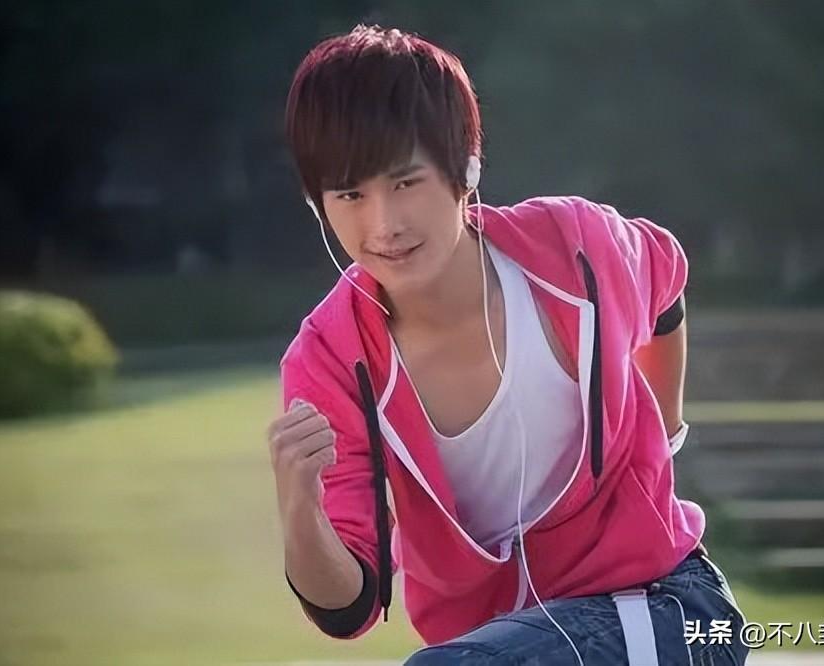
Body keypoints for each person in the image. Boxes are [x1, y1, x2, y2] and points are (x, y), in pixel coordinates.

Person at [267, 23, 749, 665]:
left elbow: (666, 285)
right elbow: (347, 606)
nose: (384, 225)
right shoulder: (330, 359)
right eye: (350, 195)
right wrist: (299, 509)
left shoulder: (573, 249)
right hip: (498, 646)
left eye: (405, 183)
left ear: (465, 167)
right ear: (318, 203)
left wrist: (662, 438)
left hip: (665, 606)